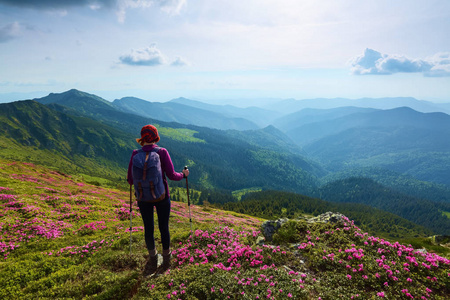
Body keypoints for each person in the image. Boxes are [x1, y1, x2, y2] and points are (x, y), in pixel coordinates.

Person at [127, 124, 189, 275]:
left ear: (142, 138)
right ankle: (166, 258)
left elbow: (130, 179)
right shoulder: (161, 152)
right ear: (155, 137)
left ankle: (153, 258)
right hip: (162, 197)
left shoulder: (136, 154)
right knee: (163, 227)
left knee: (148, 228)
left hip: (143, 198)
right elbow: (172, 175)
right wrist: (184, 175)